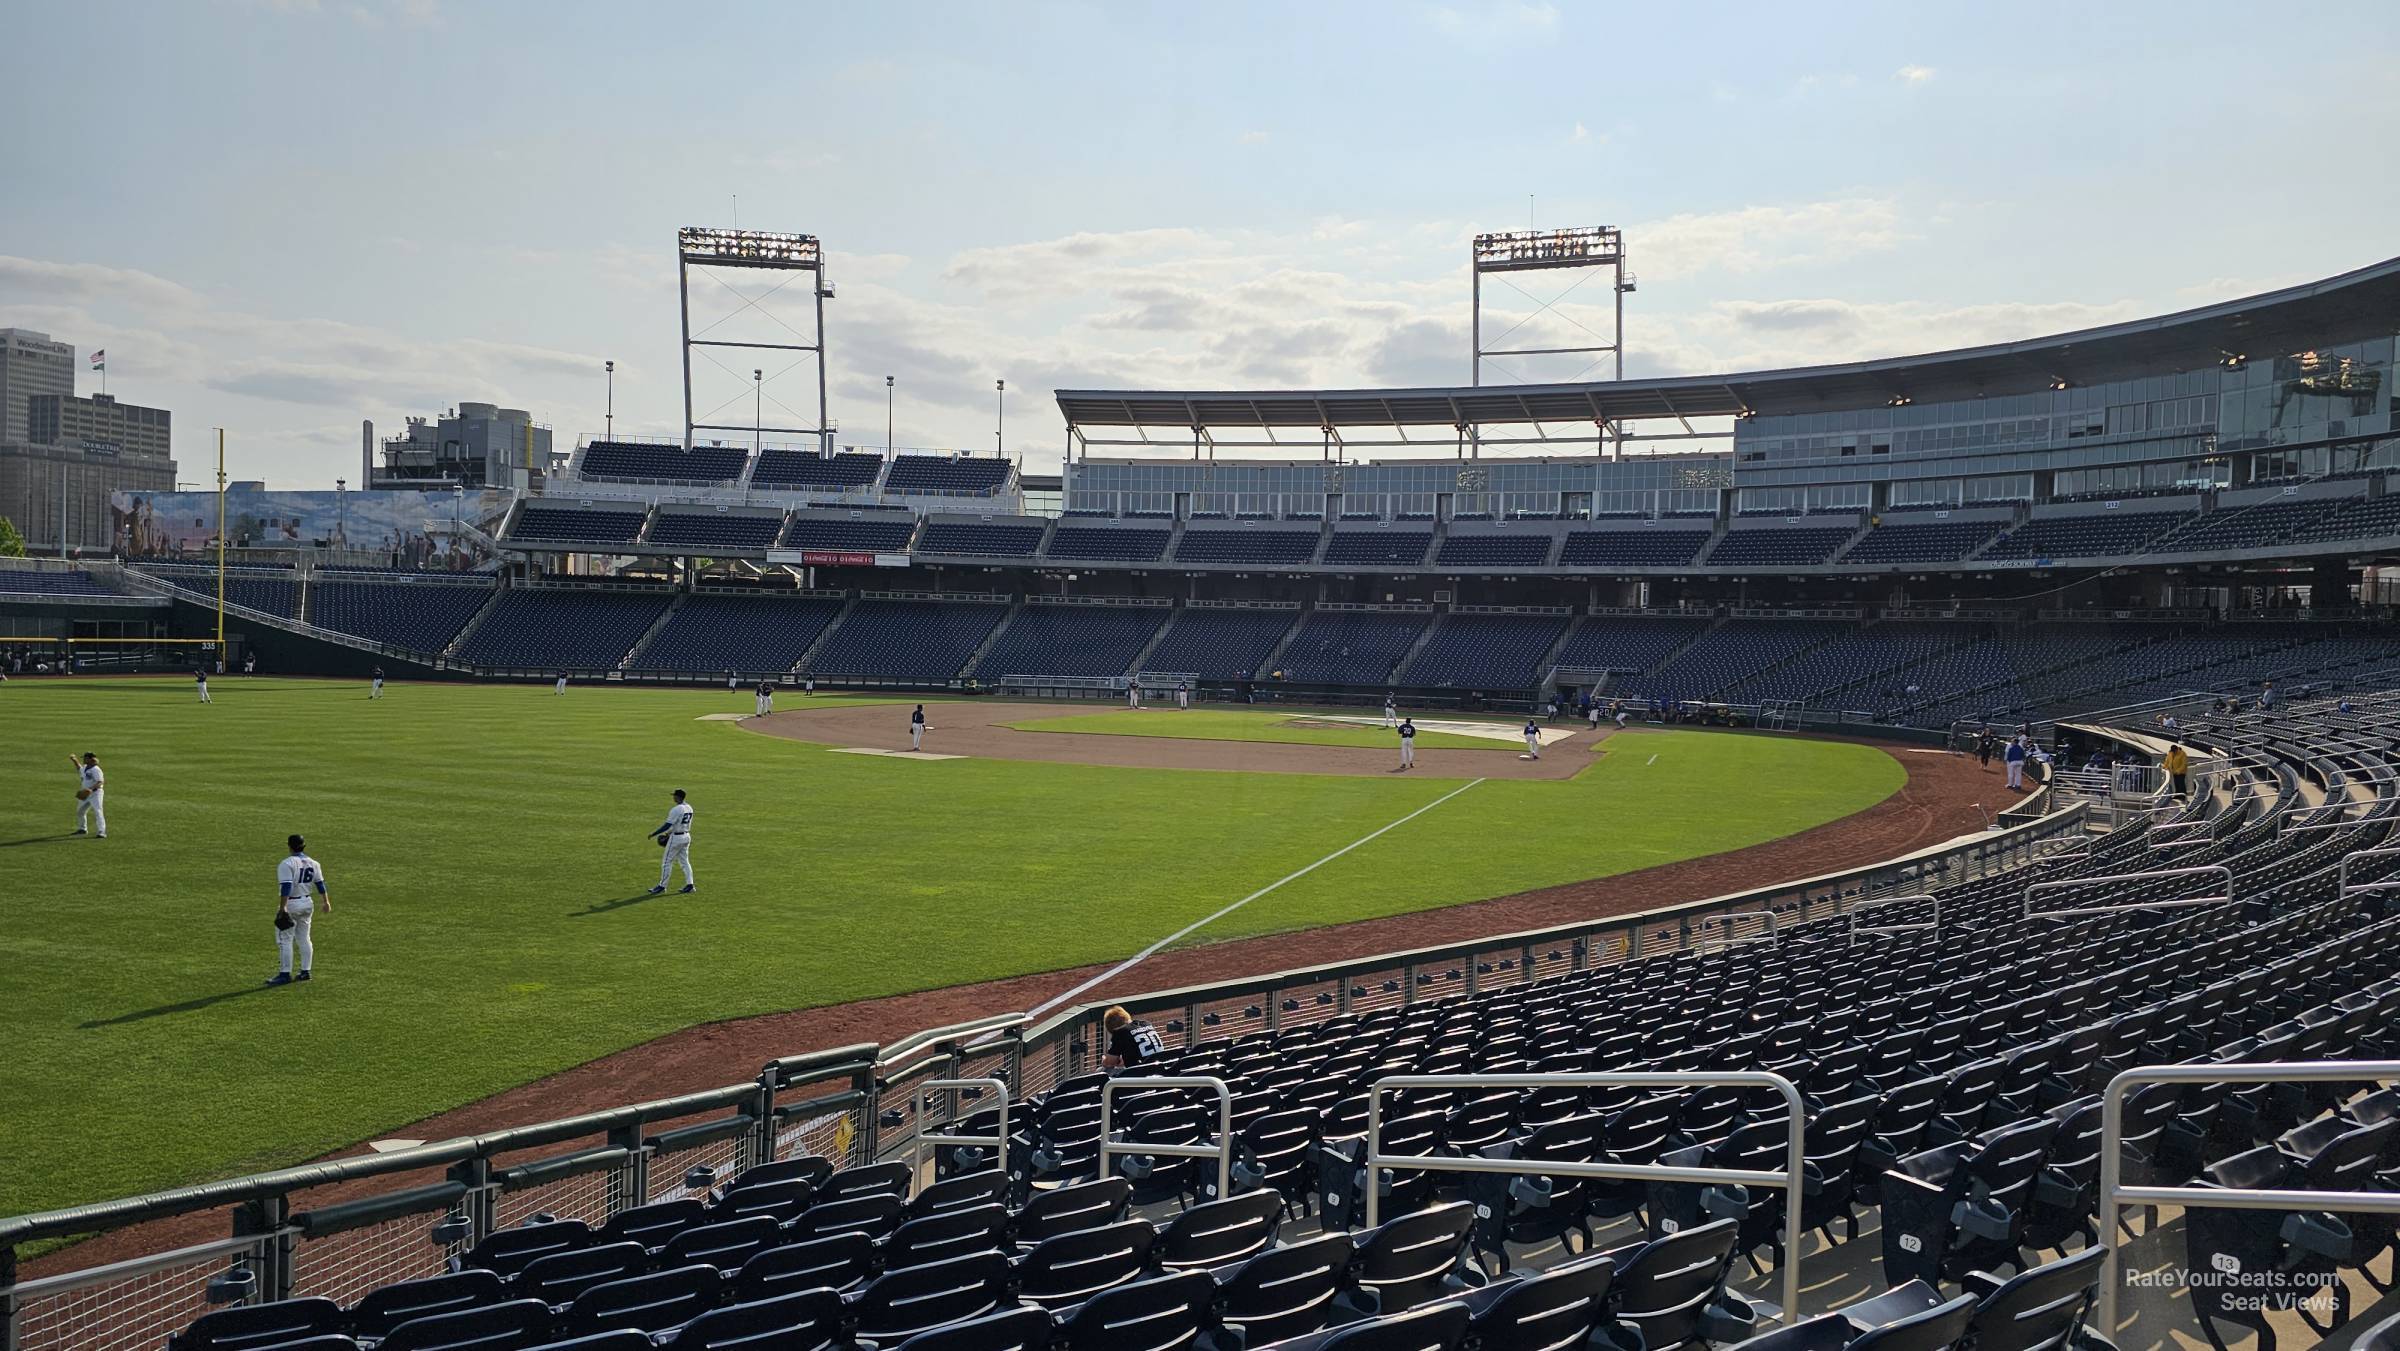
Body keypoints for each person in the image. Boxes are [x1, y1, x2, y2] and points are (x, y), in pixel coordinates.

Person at [266, 834, 329, 986]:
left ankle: (284, 974)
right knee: (304, 937)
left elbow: (286, 887)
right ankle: (305, 971)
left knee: (285, 939)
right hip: (307, 903)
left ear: (289, 846)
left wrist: (283, 908)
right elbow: (320, 884)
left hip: (292, 904)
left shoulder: (287, 864)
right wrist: (326, 902)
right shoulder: (314, 863)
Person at [646, 790, 695, 896]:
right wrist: (668, 833)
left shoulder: (676, 809)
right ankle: (690, 885)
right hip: (686, 836)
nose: (673, 798)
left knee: (666, 862)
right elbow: (679, 824)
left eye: (674, 796)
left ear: (678, 797)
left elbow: (667, 825)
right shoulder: (689, 807)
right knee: (685, 862)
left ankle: (662, 886)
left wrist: (653, 834)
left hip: (676, 839)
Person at [1100, 1005, 1162, 1073]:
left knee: (1102, 1070)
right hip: (1160, 1068)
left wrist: (1104, 1060)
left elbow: (1109, 1063)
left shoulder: (1120, 1032)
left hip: (1141, 1075)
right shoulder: (1147, 1024)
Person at [70, 752, 105, 838]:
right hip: (85, 793)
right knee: (80, 811)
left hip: (96, 793)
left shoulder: (96, 769)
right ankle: (82, 829)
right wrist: (74, 760)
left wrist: (90, 789)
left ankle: (102, 832)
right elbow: (79, 768)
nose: (83, 760)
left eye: (85, 758)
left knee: (98, 811)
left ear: (90, 759)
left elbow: (100, 782)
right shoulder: (86, 767)